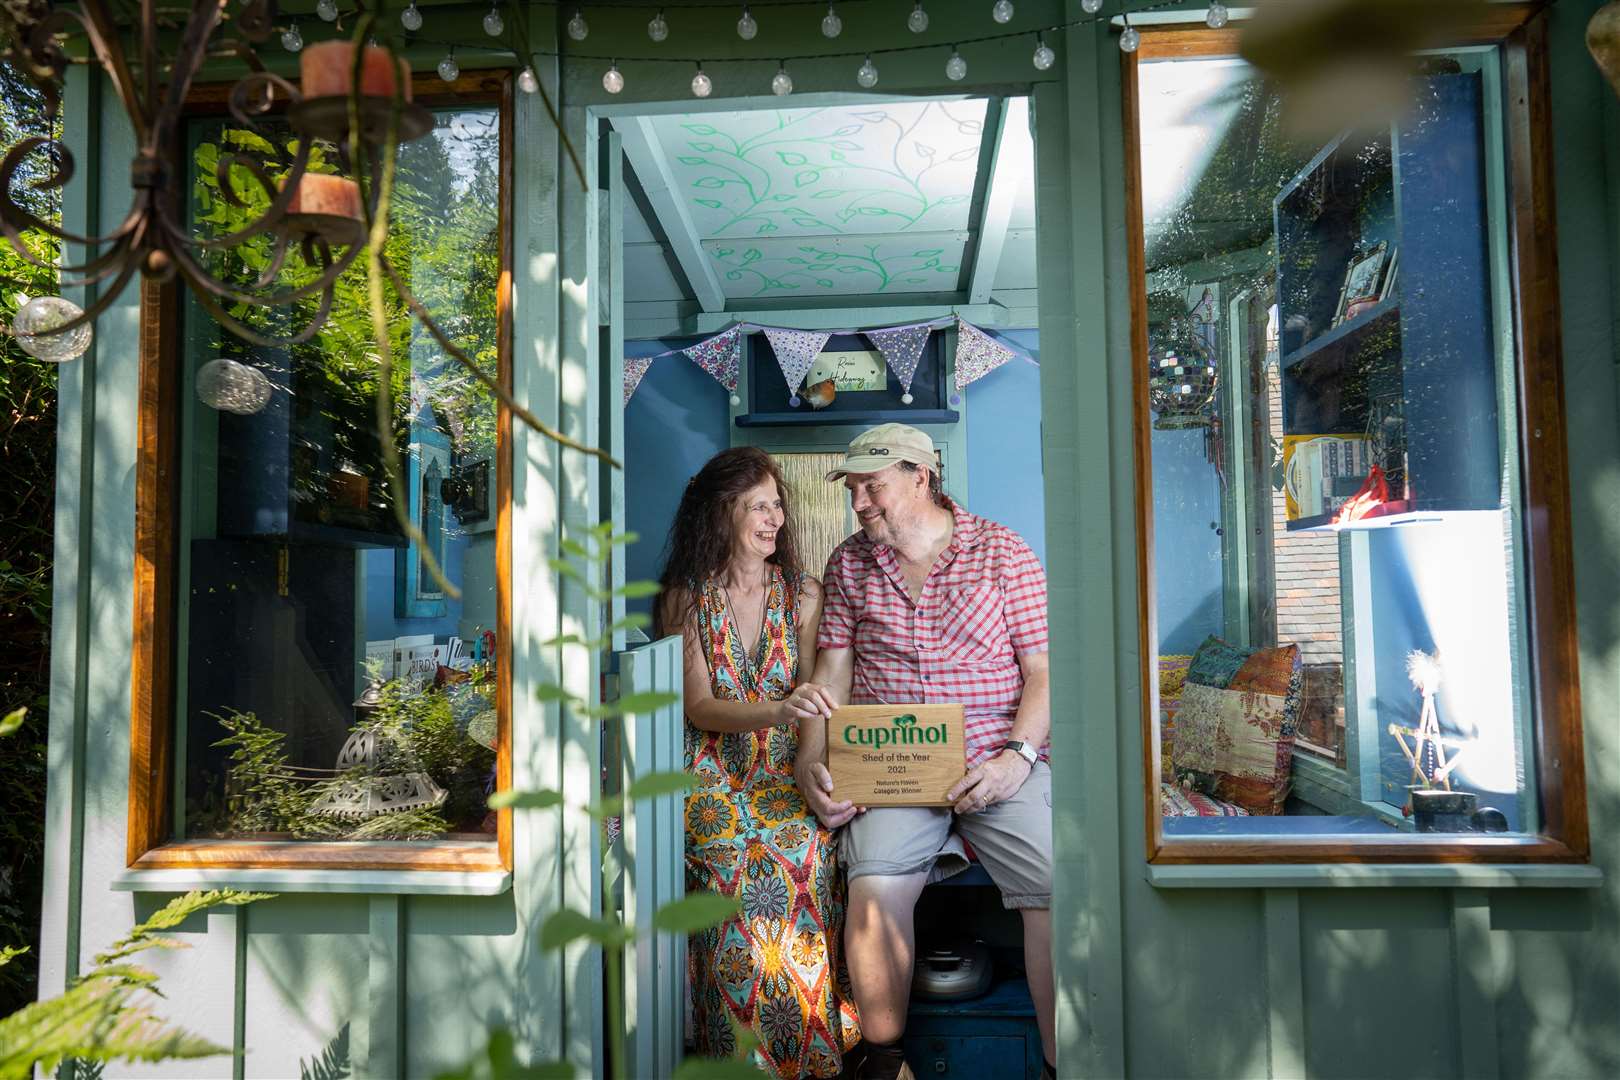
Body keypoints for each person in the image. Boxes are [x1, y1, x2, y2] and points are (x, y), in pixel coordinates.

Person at [791, 424, 1054, 1080]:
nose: (859, 503)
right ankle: (884, 1062)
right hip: (891, 761)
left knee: (1060, 885)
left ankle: (1062, 1063)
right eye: (853, 489)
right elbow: (831, 676)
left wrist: (1015, 757)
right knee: (874, 886)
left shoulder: (1003, 551)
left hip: (997, 757)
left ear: (920, 476)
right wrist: (809, 761)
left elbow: (1044, 672)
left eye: (871, 486)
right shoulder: (850, 562)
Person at [655, 446, 860, 1078]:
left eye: (777, 504)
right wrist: (776, 710)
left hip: (781, 769)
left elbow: (818, 702)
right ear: (720, 514)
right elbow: (698, 707)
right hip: (712, 775)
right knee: (732, 861)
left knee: (803, 846)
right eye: (757, 506)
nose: (774, 519)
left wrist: (808, 760)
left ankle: (813, 1055)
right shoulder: (684, 599)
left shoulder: (802, 595)